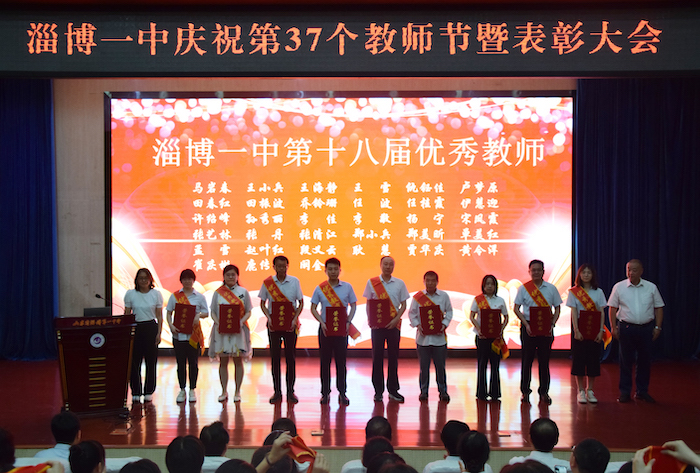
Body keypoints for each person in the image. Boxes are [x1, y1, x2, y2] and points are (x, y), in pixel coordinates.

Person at [608, 259, 664, 403]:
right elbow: (612, 308)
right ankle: (625, 392)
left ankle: (642, 391)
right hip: (626, 328)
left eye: (634, 270)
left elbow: (659, 307)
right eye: (628, 269)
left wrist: (658, 327)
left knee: (644, 361)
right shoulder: (619, 287)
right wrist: (613, 327)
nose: (631, 273)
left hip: (646, 328)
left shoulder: (651, 287)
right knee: (625, 361)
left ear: (641, 271)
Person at [513, 259, 562, 404]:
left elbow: (557, 308)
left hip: (546, 328)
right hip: (528, 327)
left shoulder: (551, 288)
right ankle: (525, 391)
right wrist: (526, 324)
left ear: (543, 272)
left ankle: (544, 392)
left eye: (538, 270)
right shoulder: (524, 289)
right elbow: (516, 308)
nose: (536, 272)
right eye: (533, 270)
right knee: (526, 360)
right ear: (529, 272)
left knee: (544, 361)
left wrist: (552, 323)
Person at [310, 257, 357, 406]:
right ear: (325, 271)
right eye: (330, 269)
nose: (333, 272)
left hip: (341, 330)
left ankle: (342, 393)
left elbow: (353, 305)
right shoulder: (320, 288)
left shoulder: (347, 287)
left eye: (335, 269)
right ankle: (325, 393)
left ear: (340, 270)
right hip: (325, 330)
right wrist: (321, 322)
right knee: (325, 362)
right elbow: (313, 308)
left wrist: (348, 321)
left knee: (341, 362)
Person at [363, 256, 410, 403]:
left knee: (393, 358)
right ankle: (378, 391)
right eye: (385, 264)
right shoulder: (372, 283)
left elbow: (404, 305)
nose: (388, 267)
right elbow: (369, 304)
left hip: (393, 325)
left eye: (390, 264)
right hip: (377, 326)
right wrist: (370, 320)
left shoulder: (400, 283)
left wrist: (396, 319)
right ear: (381, 265)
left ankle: (393, 390)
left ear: (393, 266)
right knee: (377, 358)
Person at [259, 256, 304, 404]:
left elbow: (301, 303)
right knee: (275, 358)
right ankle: (277, 392)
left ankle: (291, 391)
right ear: (274, 267)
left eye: (284, 266)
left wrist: (295, 319)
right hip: (274, 326)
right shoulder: (268, 283)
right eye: (279, 266)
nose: (281, 269)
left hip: (290, 325)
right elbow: (262, 304)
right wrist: (269, 317)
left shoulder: (294, 281)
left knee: (291, 358)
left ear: (287, 266)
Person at [210, 264, 253, 403]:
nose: (230, 277)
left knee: (238, 361)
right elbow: (213, 312)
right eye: (228, 275)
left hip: (238, 331)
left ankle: (237, 391)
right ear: (223, 276)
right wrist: (218, 323)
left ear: (237, 276)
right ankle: (223, 391)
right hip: (222, 332)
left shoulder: (243, 292)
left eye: (233, 275)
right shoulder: (218, 293)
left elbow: (248, 311)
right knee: (223, 361)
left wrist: (241, 322)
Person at [408, 271, 453, 402]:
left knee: (440, 368)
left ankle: (443, 391)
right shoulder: (418, 297)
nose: (430, 283)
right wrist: (418, 325)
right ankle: (424, 391)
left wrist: (444, 325)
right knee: (424, 368)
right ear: (424, 281)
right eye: (428, 280)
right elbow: (412, 314)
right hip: (423, 340)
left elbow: (449, 311)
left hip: (439, 340)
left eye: (433, 280)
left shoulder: (444, 296)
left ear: (437, 282)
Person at [166, 269, 209, 404]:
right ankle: (182, 389)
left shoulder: (199, 297)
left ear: (193, 280)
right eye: (185, 279)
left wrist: (198, 315)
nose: (187, 281)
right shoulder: (175, 296)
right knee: (180, 363)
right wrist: (171, 325)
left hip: (193, 336)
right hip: (178, 335)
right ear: (181, 281)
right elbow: (168, 313)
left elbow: (206, 313)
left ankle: (192, 389)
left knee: (193, 363)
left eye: (190, 279)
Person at [566, 264, 607, 404]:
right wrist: (576, 330)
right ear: (579, 275)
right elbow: (574, 312)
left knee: (593, 360)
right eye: (584, 272)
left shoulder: (598, 292)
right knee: (579, 360)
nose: (586, 275)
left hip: (595, 329)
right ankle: (581, 391)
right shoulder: (574, 292)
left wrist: (601, 330)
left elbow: (601, 312)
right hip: (580, 329)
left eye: (589, 272)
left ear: (593, 275)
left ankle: (590, 390)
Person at [124, 268, 163, 403]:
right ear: (136, 280)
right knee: (135, 361)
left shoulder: (156, 294)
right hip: (136, 328)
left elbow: (159, 316)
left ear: (150, 280)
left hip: (151, 327)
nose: (143, 280)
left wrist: (159, 333)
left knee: (151, 361)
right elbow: (127, 314)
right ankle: (136, 391)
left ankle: (148, 391)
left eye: (146, 278)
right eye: (140, 278)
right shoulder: (130, 294)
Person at [469, 275, 509, 401]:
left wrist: (501, 329)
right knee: (482, 364)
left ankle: (495, 393)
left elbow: (506, 317)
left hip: (495, 339)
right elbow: (471, 316)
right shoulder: (478, 300)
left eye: (492, 284)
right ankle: (481, 393)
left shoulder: (500, 300)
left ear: (495, 286)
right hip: (482, 337)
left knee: (495, 365)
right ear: (483, 286)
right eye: (487, 284)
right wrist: (479, 329)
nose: (490, 286)